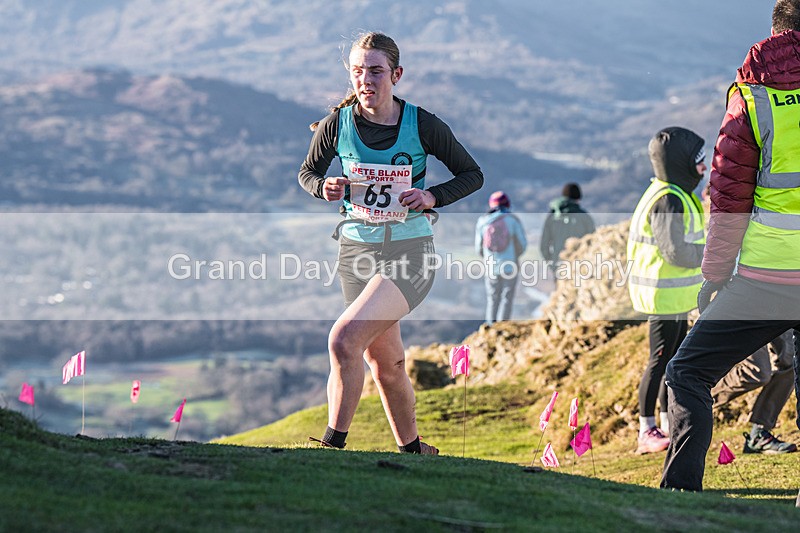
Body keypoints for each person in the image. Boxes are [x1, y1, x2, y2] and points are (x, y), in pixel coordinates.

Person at [298, 32, 483, 454]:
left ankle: (331, 448)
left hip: (409, 252)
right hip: (356, 252)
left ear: (396, 75)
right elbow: (307, 173)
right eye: (358, 71)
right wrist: (322, 186)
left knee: (343, 340)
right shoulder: (335, 126)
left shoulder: (424, 125)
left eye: (376, 71)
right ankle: (415, 451)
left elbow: (472, 174)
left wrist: (433, 195)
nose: (366, 80)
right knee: (387, 365)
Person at [661, 0, 800, 491]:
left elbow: (728, 196)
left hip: (766, 279)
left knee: (687, 373)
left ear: (777, 32)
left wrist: (715, 276)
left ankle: (679, 495)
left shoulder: (755, 96)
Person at [627, 127, 707, 454]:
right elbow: (675, 251)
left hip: (674, 295)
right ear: (681, 162)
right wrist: (714, 257)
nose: (704, 167)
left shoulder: (672, 191)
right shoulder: (668, 199)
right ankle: (646, 431)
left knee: (672, 361)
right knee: (659, 361)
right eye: (699, 161)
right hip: (663, 296)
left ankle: (664, 423)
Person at [712, 330, 797, 454]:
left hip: (778, 311)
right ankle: (687, 399)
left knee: (793, 358)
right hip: (743, 312)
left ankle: (759, 435)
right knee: (756, 372)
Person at [475, 191, 527, 324]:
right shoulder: (512, 220)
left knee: (492, 298)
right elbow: (522, 244)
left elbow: (478, 248)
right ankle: (503, 326)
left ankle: (490, 326)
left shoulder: (483, 221)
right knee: (507, 298)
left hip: (491, 267)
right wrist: (514, 256)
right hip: (510, 266)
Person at [539, 183, 595, 268]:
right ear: (578, 198)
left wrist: (553, 264)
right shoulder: (585, 217)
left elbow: (544, 246)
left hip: (558, 264)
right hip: (580, 266)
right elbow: (593, 243)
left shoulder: (552, 217)